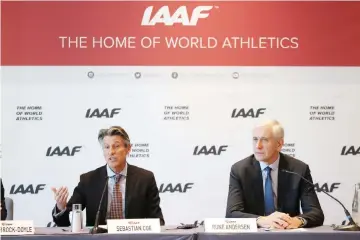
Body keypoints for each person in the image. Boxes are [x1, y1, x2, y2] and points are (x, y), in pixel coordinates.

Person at [51, 126, 164, 226]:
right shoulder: (88, 180)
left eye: (116, 146)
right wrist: (61, 207)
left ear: (128, 149)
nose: (111, 152)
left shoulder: (145, 179)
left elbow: (157, 221)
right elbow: (65, 223)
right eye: (106, 147)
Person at [226, 120, 324, 229]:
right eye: (255, 139)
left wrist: (297, 221)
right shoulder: (240, 170)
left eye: (264, 140)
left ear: (279, 144)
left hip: (286, 234)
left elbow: (316, 213)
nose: (258, 146)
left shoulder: (298, 169)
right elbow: (231, 214)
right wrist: (262, 220)